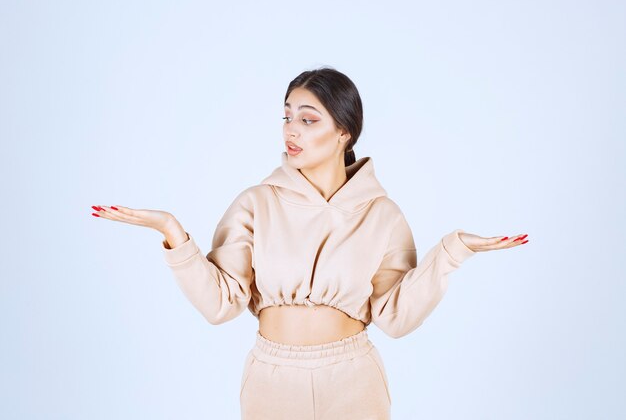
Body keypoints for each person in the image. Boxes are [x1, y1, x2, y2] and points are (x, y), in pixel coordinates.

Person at [91, 66, 529, 420]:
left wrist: (453, 251)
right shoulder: (257, 202)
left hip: (353, 378)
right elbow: (220, 304)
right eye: (286, 116)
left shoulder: (382, 213)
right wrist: (173, 233)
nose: (291, 130)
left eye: (308, 118)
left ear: (344, 133)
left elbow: (394, 316)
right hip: (271, 378)